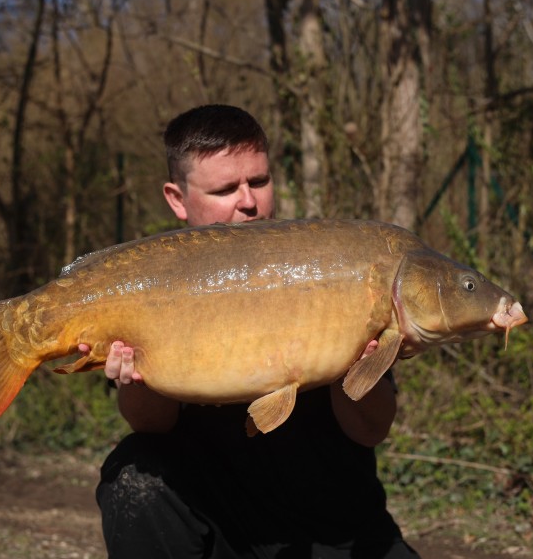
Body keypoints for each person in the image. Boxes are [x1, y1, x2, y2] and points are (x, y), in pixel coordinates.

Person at [78, 104, 419, 558]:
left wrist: (365, 359)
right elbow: (151, 424)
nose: (248, 202)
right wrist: (137, 375)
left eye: (259, 181)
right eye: (224, 189)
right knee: (133, 476)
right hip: (219, 528)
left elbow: (370, 429)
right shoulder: (148, 282)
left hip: (337, 528)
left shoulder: (328, 264)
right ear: (176, 199)